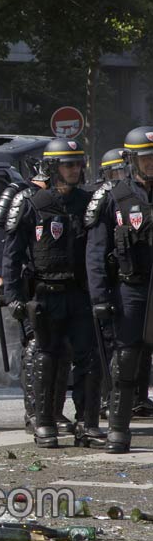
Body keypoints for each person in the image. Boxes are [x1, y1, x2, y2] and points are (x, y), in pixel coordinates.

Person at [3, 137, 103, 449]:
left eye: (78, 163)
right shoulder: (33, 204)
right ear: (52, 167)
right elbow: (12, 255)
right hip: (45, 294)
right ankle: (44, 422)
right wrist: (13, 296)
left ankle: (87, 422)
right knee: (47, 359)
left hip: (79, 293)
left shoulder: (88, 203)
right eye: (68, 164)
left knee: (89, 359)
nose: (75, 169)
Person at [86, 126, 153, 453]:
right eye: (145, 158)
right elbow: (96, 253)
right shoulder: (114, 197)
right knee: (126, 359)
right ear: (131, 161)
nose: (151, 163)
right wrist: (99, 298)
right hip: (132, 288)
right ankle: (118, 430)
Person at [0, 163, 57, 434]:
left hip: (54, 280)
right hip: (27, 282)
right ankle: (34, 412)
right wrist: (4, 281)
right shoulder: (18, 196)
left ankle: (52, 411)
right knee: (33, 345)